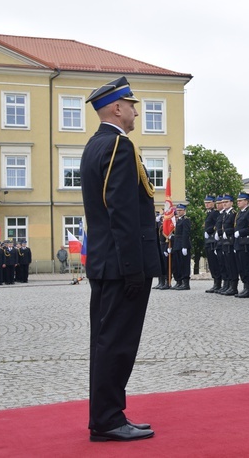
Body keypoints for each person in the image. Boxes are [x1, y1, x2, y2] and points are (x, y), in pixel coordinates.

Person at [81, 76, 159, 442]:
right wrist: (133, 270)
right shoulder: (118, 147)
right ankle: (109, 419)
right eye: (131, 105)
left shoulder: (95, 145)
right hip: (121, 266)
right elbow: (122, 213)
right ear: (116, 107)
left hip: (105, 263)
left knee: (106, 341)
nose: (136, 112)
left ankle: (106, 415)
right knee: (118, 343)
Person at [233, 192, 249, 298]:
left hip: (245, 243)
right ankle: (245, 286)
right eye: (237, 201)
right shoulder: (239, 213)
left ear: (246, 201)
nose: (238, 202)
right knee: (240, 266)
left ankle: (248, 288)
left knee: (246, 266)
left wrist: (241, 233)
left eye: (240, 200)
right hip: (238, 243)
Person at [203, 195, 222, 293]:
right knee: (211, 263)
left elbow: (216, 225)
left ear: (213, 203)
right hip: (208, 241)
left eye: (209, 202)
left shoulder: (215, 213)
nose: (206, 204)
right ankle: (215, 282)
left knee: (215, 263)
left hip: (212, 241)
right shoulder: (209, 213)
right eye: (205, 202)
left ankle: (218, 283)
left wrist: (209, 231)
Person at [171, 203, 191, 290]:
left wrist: (184, 246)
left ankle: (185, 283)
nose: (178, 212)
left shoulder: (186, 220)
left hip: (183, 245)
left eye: (180, 210)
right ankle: (179, 281)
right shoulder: (179, 220)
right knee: (177, 264)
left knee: (184, 265)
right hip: (177, 245)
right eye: (177, 210)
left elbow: (185, 233)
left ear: (184, 211)